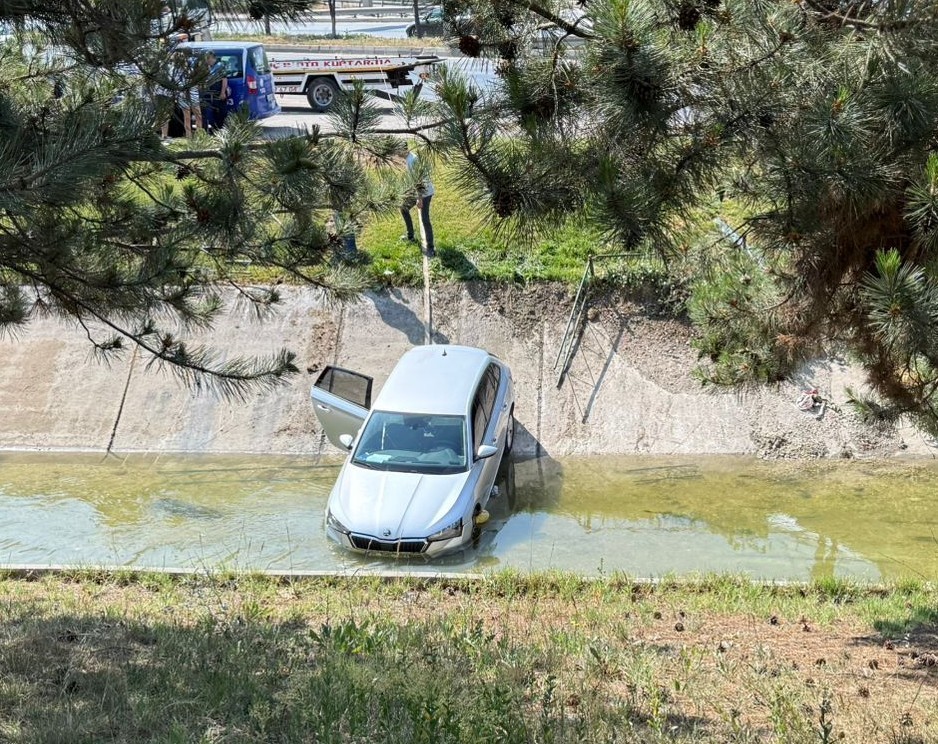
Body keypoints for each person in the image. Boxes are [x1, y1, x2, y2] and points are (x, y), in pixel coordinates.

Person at [399, 150, 435, 258]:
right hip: (417, 192)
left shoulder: (413, 160)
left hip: (425, 193)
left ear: (403, 149)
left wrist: (419, 198)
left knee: (425, 219)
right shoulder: (408, 158)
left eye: (398, 150)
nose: (397, 152)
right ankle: (410, 237)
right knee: (404, 208)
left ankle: (431, 248)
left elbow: (420, 181)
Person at [200, 51, 229, 134]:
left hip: (218, 94)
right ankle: (208, 132)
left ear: (213, 58)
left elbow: (224, 79)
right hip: (208, 95)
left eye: (208, 59)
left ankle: (219, 131)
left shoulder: (220, 66)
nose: (207, 61)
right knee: (207, 114)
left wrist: (222, 92)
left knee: (220, 114)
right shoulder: (208, 67)